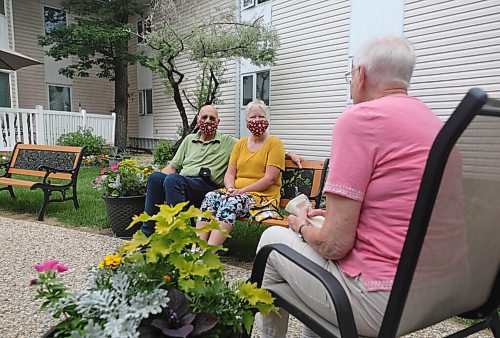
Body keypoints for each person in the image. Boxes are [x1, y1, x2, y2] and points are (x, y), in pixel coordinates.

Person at [256, 36, 445, 338]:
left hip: (380, 301)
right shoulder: (436, 125)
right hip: (435, 295)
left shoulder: (360, 119)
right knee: (316, 239)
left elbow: (334, 245)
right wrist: (323, 221)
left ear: (361, 75)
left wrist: (301, 225)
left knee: (271, 239)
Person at [141, 104, 301, 236]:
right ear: (198, 119)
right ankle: (147, 234)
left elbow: (258, 147)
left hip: (204, 186)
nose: (208, 121)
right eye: (204, 117)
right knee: (157, 178)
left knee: (172, 180)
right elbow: (172, 167)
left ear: (218, 122)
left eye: (212, 118)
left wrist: (287, 154)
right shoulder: (189, 140)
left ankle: (177, 236)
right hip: (180, 184)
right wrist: (157, 179)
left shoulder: (228, 142)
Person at [195, 100, 285, 246]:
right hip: (238, 192)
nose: (257, 121)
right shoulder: (240, 144)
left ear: (267, 119)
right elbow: (230, 173)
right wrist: (230, 188)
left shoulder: (275, 144)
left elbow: (269, 179)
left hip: (263, 197)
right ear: (246, 121)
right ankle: (197, 248)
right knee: (210, 197)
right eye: (252, 117)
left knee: (231, 202)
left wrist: (241, 191)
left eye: (261, 117)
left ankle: (209, 252)